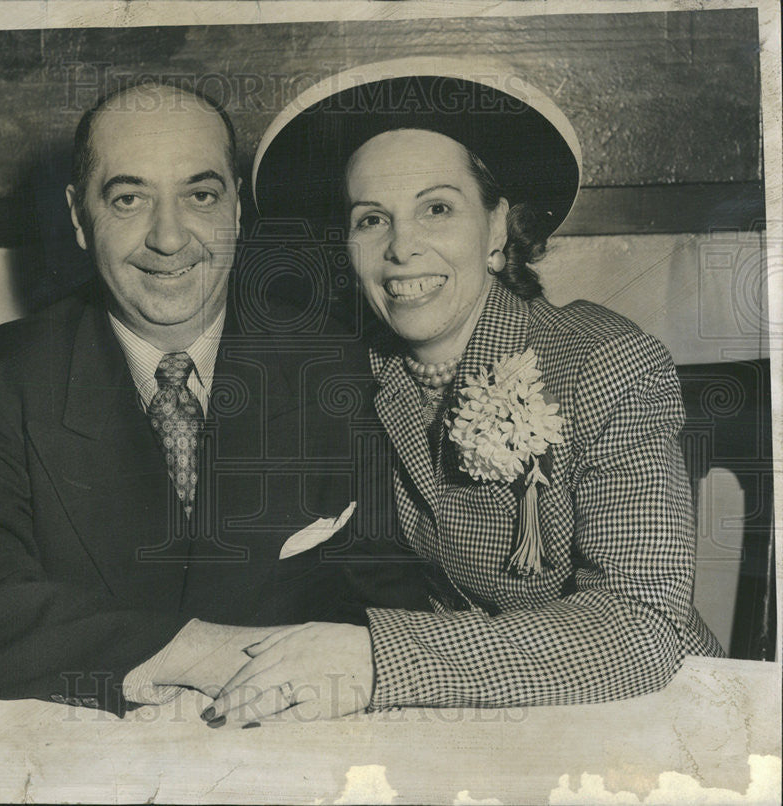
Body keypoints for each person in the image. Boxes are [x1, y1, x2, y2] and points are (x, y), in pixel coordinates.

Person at [193, 58, 725, 726]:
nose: (402, 249)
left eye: (437, 208)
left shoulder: (608, 363)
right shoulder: (351, 374)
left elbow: (645, 630)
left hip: (644, 714)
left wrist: (377, 660)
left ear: (498, 227)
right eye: (371, 219)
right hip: (471, 719)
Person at [0, 81, 429, 716]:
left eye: (200, 196)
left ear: (235, 210)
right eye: (128, 200)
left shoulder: (339, 368)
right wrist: (191, 653)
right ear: (77, 216)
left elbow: (397, 599)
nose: (169, 238)